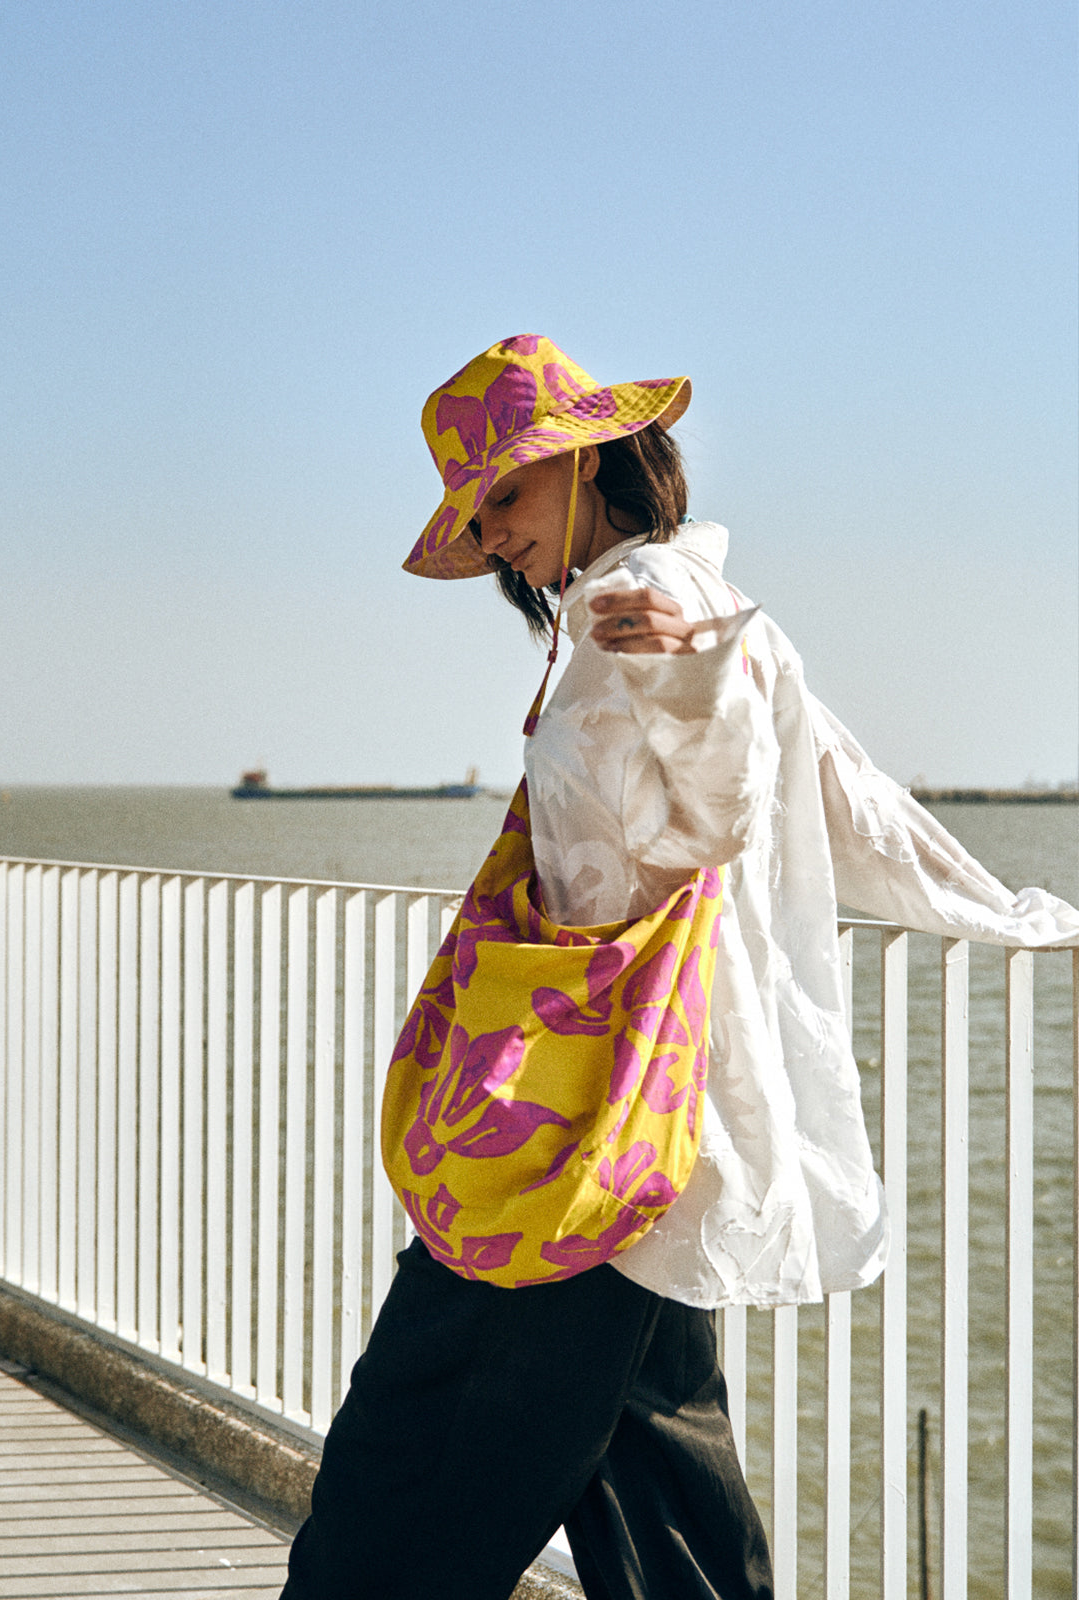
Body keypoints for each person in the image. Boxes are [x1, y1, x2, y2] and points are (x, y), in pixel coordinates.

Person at [280, 336, 1079, 1600]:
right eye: (477, 510)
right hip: (643, 1120)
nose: (491, 535)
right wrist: (1017, 911)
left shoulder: (657, 603)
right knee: (665, 1500)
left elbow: (728, 810)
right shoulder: (648, 601)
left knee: (400, 1480)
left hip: (581, 1128)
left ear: (587, 459)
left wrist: (691, 676)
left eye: (507, 495)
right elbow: (846, 798)